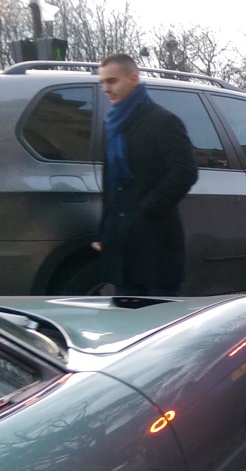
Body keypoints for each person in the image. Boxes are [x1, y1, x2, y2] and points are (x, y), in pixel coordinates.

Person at [92, 53, 198, 296]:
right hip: (123, 247)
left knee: (161, 326)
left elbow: (185, 172)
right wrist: (105, 229)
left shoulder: (163, 121)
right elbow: (111, 184)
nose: (106, 89)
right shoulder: (112, 124)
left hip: (156, 246)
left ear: (134, 78)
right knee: (127, 320)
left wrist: (144, 210)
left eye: (112, 81)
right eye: (103, 83)